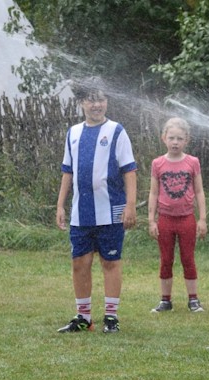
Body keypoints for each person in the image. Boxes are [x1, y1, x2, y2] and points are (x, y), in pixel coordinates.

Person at [55, 79, 137, 334]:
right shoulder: (73, 133)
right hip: (82, 212)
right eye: (91, 100)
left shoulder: (116, 131)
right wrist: (60, 205)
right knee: (80, 262)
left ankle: (111, 317)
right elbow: (67, 172)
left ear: (107, 102)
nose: (96, 104)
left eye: (101, 99)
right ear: (81, 103)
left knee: (110, 262)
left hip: (111, 209)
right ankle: (84, 317)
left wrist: (131, 205)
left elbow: (130, 171)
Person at [147, 117, 207, 313]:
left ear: (186, 140)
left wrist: (202, 219)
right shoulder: (157, 163)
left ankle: (193, 299)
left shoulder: (193, 162)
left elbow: (199, 192)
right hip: (165, 219)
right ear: (164, 138)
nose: (175, 142)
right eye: (171, 137)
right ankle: (165, 300)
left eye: (179, 138)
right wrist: (151, 220)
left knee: (188, 258)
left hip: (187, 219)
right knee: (166, 259)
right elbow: (154, 193)